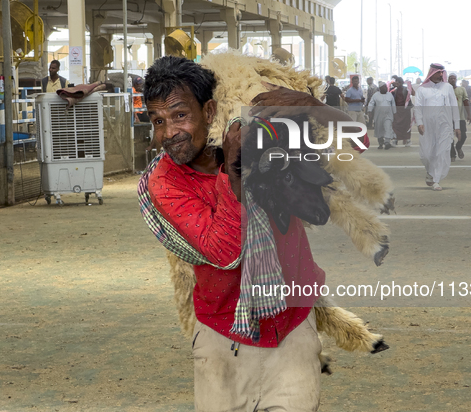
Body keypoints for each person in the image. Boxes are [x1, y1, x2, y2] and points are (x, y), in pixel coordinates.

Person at [139, 55, 340, 411]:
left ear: (210, 110)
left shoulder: (261, 140)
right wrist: (232, 173)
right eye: (158, 121)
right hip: (221, 339)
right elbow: (224, 252)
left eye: (180, 115)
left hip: (291, 329)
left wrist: (313, 107)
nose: (169, 133)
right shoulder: (165, 181)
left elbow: (357, 145)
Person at [414, 63, 460, 191]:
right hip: (427, 127)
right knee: (426, 154)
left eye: (442, 72)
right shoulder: (422, 89)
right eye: (438, 72)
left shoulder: (448, 87)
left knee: (442, 152)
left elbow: (454, 107)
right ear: (432, 73)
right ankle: (430, 171)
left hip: (445, 126)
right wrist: (419, 123)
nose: (441, 75)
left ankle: (436, 180)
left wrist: (457, 126)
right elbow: (417, 108)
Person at [448, 74, 471, 161]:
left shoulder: (461, 89)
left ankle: (458, 147)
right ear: (448, 80)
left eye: (454, 78)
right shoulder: (445, 90)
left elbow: (465, 102)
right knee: (449, 137)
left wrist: (469, 114)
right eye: (451, 78)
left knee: (463, 136)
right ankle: (452, 154)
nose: (453, 80)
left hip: (460, 117)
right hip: (448, 118)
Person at [367, 81, 396, 149]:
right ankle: (380, 143)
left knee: (388, 127)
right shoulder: (376, 95)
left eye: (386, 87)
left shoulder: (390, 95)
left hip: (388, 115)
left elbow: (393, 105)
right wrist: (370, 111)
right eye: (383, 87)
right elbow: (371, 103)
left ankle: (387, 142)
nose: (385, 88)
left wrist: (395, 113)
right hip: (378, 116)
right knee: (379, 129)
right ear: (380, 88)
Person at [391, 76, 413, 147]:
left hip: (405, 110)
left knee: (406, 125)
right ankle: (395, 140)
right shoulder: (394, 90)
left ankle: (407, 140)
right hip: (397, 110)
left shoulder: (406, 89)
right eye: (397, 82)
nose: (398, 83)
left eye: (399, 82)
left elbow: (411, 96)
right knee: (396, 125)